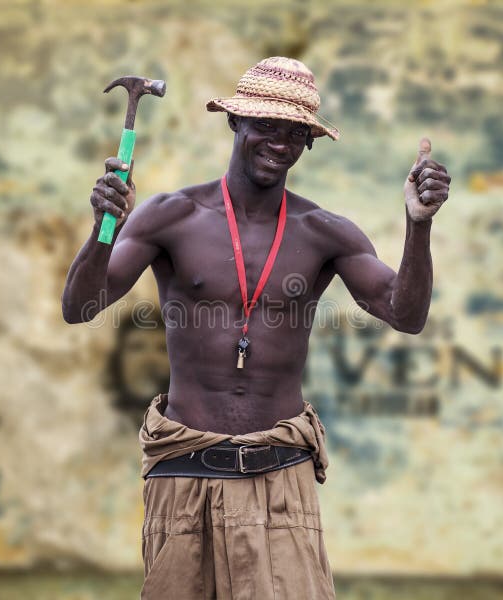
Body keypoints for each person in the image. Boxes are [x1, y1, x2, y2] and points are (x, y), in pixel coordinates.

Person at [62, 57, 450, 599]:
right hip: (185, 472)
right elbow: (80, 307)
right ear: (235, 123)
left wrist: (418, 226)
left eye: (294, 134)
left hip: (281, 478)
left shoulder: (325, 232)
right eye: (266, 126)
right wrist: (106, 229)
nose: (279, 144)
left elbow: (405, 315)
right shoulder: (170, 217)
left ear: (308, 144)